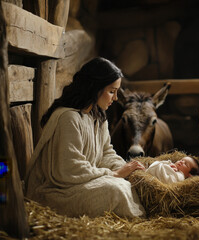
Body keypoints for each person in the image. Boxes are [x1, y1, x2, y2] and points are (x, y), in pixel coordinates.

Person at [25, 57, 146, 218]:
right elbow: (69, 169)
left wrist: (128, 170)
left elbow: (106, 152)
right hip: (57, 192)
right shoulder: (68, 118)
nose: (116, 98)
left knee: (125, 185)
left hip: (82, 183)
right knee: (115, 190)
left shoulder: (98, 116)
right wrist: (114, 174)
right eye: (111, 91)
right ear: (95, 88)